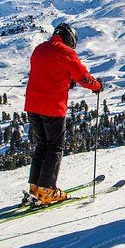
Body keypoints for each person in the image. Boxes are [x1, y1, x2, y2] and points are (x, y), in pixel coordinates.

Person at [24, 23, 103, 205]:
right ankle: (47, 190)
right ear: (69, 38)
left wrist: (65, 79)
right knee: (54, 148)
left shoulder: (40, 49)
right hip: (52, 107)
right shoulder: (65, 52)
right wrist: (97, 86)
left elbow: (47, 73)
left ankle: (35, 187)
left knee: (42, 145)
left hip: (32, 106)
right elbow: (83, 76)